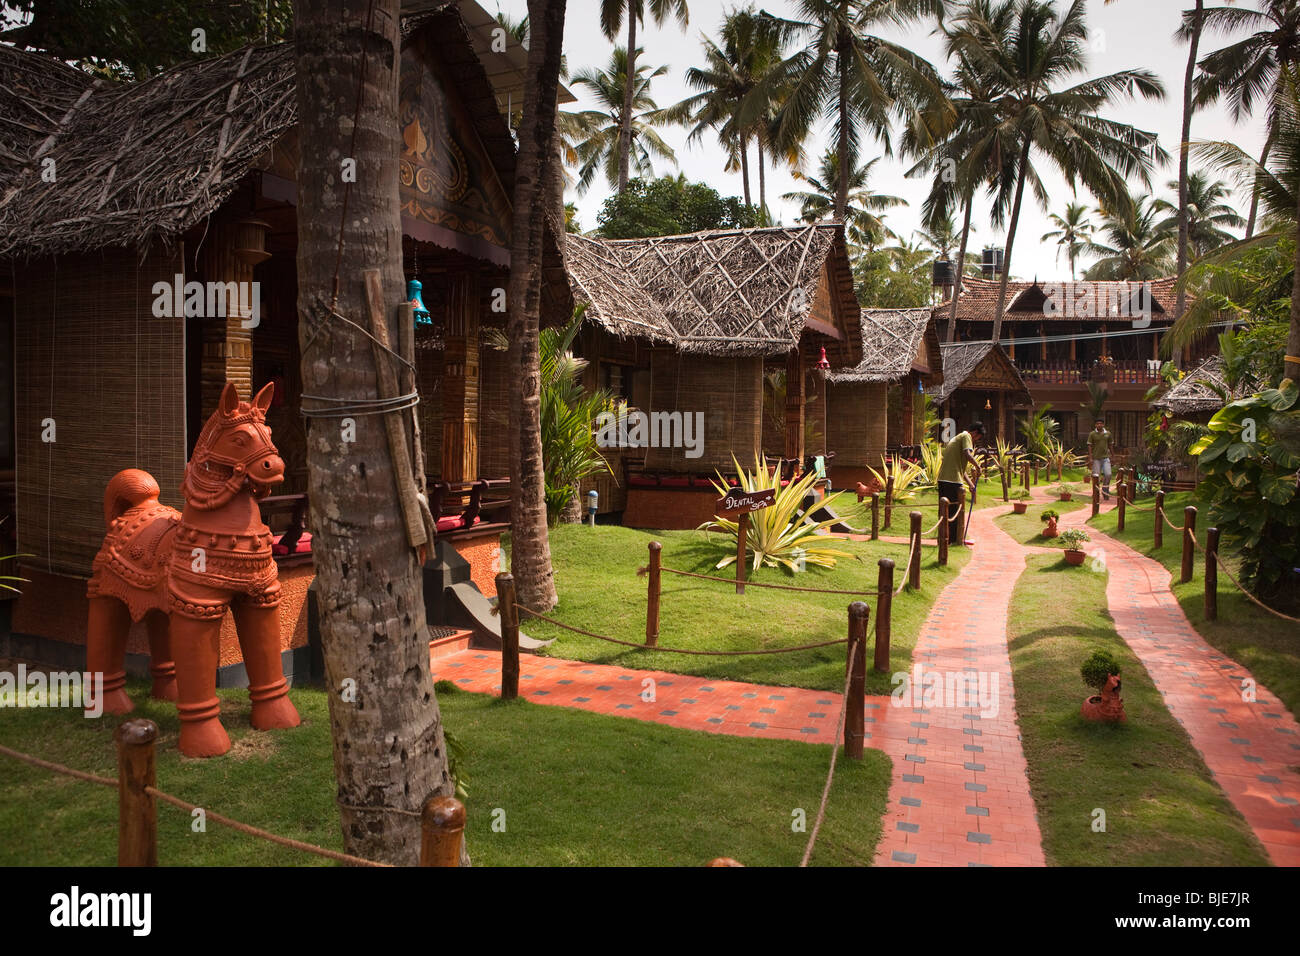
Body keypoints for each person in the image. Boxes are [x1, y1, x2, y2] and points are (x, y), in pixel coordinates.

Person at [938, 422, 983, 547]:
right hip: (952, 481)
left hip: (943, 479)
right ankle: (953, 541)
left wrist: (970, 484)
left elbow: (959, 468)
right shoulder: (966, 436)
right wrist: (978, 466)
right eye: (977, 437)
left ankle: (943, 539)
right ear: (974, 433)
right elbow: (968, 455)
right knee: (954, 513)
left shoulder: (957, 438)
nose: (976, 440)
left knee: (944, 511)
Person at [1087, 418, 1113, 500]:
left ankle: (1105, 490)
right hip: (1096, 458)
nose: (1099, 425)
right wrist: (1090, 457)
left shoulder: (1108, 434)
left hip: (1105, 458)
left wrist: (1113, 455)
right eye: (1097, 424)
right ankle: (1095, 492)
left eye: (1101, 423)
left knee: (1108, 474)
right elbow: (1089, 446)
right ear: (1095, 425)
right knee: (1096, 476)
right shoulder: (1092, 434)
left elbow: (1110, 445)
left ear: (1103, 424)